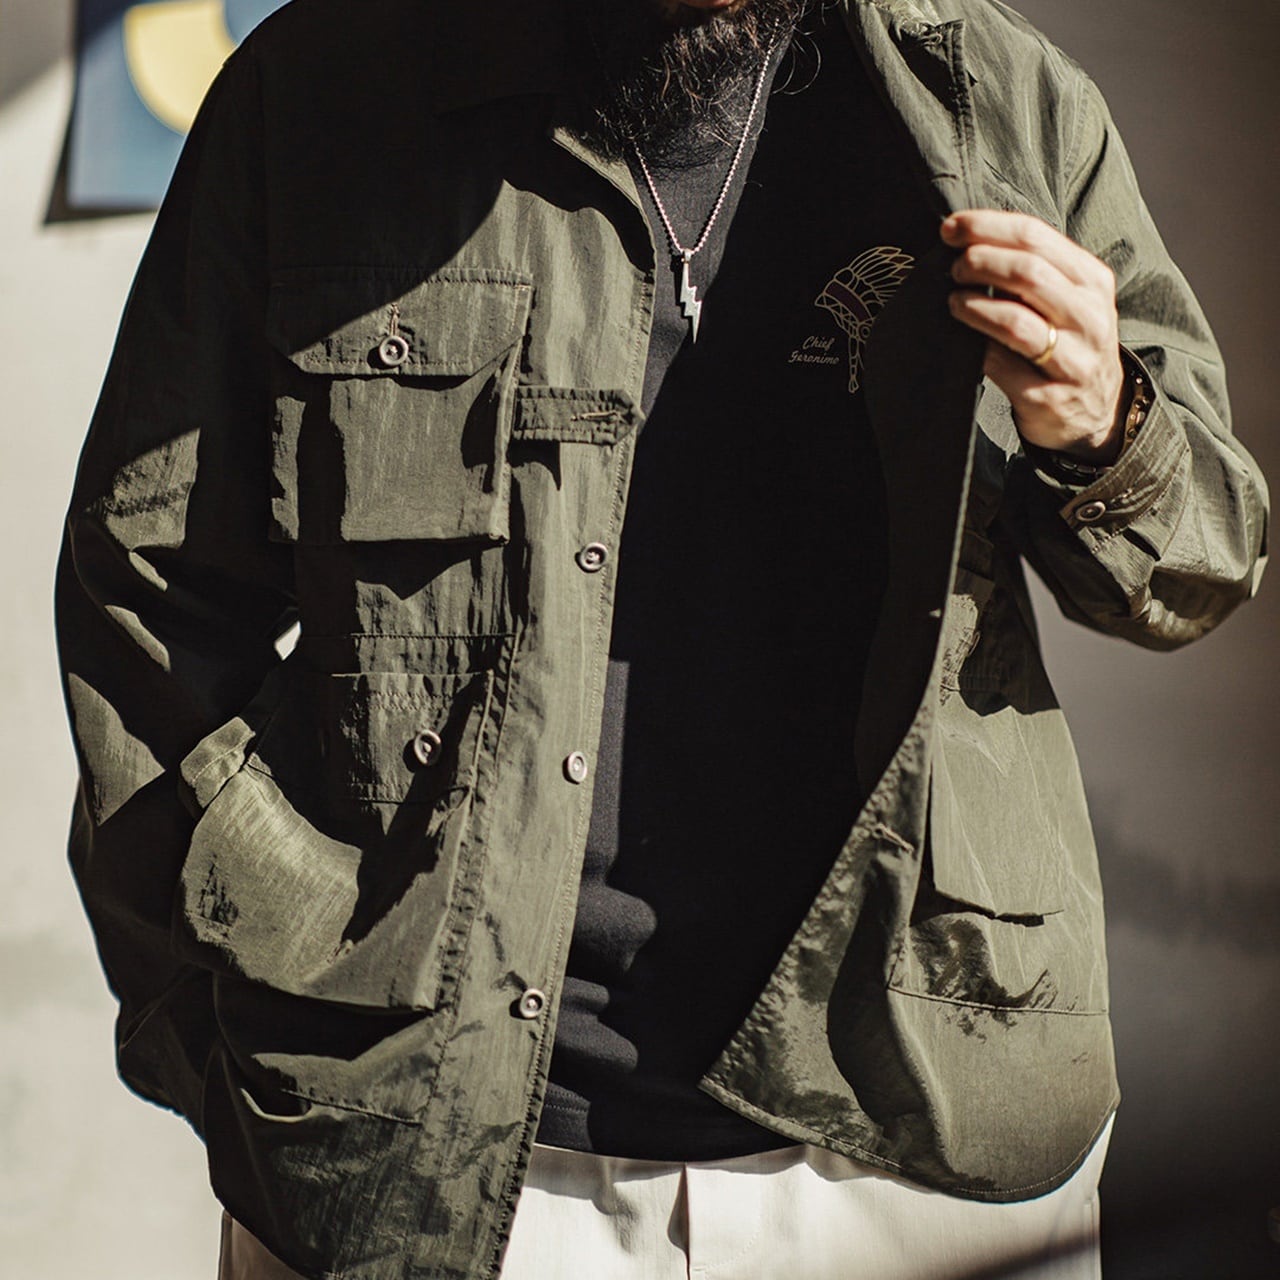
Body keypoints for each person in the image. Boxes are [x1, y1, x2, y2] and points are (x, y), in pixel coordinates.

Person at [55, 0, 1268, 1277]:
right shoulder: (318, 94)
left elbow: (1197, 564)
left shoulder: (1003, 100)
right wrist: (244, 1025)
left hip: (911, 1146)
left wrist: (1105, 421)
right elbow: (146, 594)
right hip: (424, 1154)